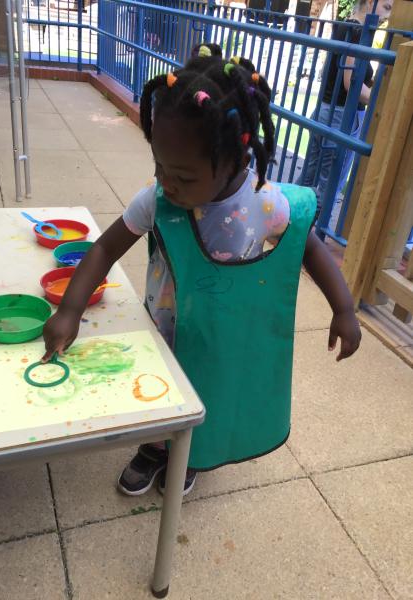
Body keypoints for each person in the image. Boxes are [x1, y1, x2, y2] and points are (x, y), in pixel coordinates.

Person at [42, 47, 361, 497]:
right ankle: (154, 448)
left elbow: (308, 247)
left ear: (235, 161)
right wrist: (70, 310)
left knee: (207, 388)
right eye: (159, 166)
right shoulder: (158, 200)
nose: (167, 182)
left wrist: (343, 309)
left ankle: (192, 453)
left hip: (221, 331)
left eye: (185, 177)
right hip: (167, 326)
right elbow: (105, 248)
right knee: (161, 390)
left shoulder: (266, 204)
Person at [299, 0, 392, 206]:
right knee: (329, 186)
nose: (388, 16)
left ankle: (286, 220)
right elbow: (352, 83)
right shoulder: (358, 32)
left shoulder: (345, 25)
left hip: (326, 109)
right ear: (370, 2)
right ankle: (314, 225)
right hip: (342, 115)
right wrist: (384, 102)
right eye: (386, 8)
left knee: (308, 179)